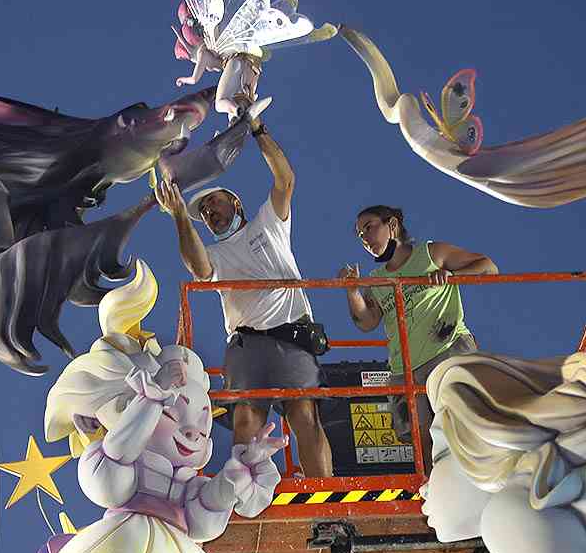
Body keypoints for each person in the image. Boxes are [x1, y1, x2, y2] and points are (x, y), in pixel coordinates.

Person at [154, 114, 334, 477]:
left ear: (236, 204)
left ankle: (323, 493)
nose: (210, 212)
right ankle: (246, 493)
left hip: (291, 334)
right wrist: (180, 215)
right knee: (246, 420)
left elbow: (285, 179)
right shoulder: (215, 254)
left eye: (215, 203)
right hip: (246, 343)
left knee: (304, 413)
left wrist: (257, 128)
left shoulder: (269, 224)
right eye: (204, 212)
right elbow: (199, 269)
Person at [340, 205, 497, 466]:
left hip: (447, 351)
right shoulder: (377, 280)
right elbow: (367, 322)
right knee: (422, 445)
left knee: (465, 428)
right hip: (406, 369)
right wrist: (352, 292)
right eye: (360, 235)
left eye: (369, 227)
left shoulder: (431, 253)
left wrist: (452, 276)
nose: (365, 238)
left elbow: (488, 267)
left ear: (392, 225)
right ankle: (433, 487)